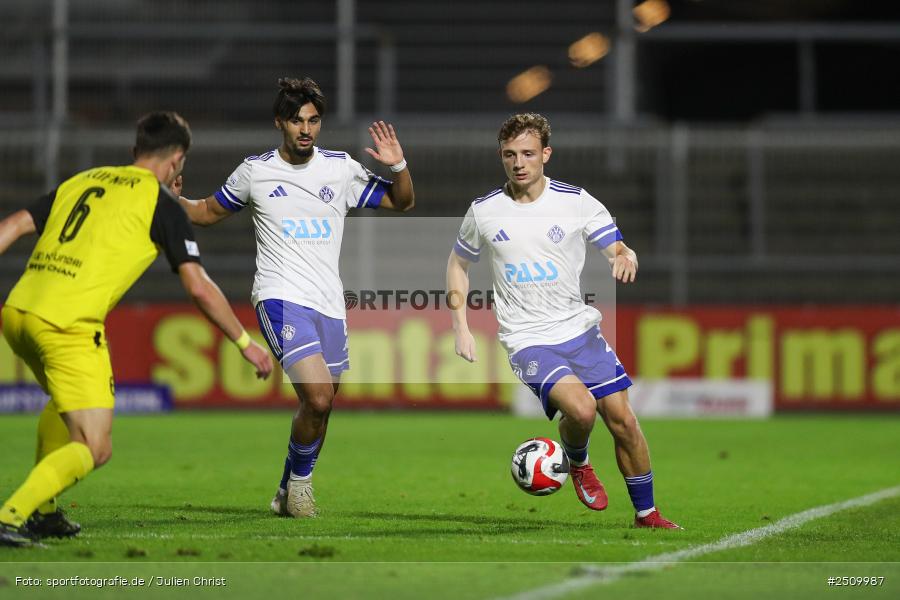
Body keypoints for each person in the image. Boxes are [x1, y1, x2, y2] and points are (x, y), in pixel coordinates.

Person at [0, 111, 273, 547]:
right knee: (95, 446)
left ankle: (46, 514)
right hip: (67, 325)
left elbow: (13, 224)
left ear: (135, 152)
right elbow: (198, 288)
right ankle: (11, 516)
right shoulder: (160, 204)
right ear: (177, 160)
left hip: (17, 311)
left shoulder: (83, 180)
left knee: (65, 403)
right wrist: (244, 342)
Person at [178, 77, 415, 518]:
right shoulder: (257, 171)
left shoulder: (340, 169)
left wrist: (398, 166)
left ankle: (287, 487)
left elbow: (401, 202)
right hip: (279, 296)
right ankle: (302, 488)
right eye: (296, 121)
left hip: (329, 303)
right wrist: (174, 201)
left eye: (313, 120)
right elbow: (208, 212)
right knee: (320, 396)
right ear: (279, 123)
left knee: (320, 408)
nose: (306, 129)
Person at [446, 113, 679, 529]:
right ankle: (579, 462)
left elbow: (619, 249)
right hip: (528, 338)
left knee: (623, 419)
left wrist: (626, 257)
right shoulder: (484, 211)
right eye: (510, 154)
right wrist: (460, 326)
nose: (519, 163)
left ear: (546, 155)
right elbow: (458, 263)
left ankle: (647, 514)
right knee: (582, 409)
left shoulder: (576, 202)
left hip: (580, 331)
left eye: (528, 154)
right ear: (501, 156)